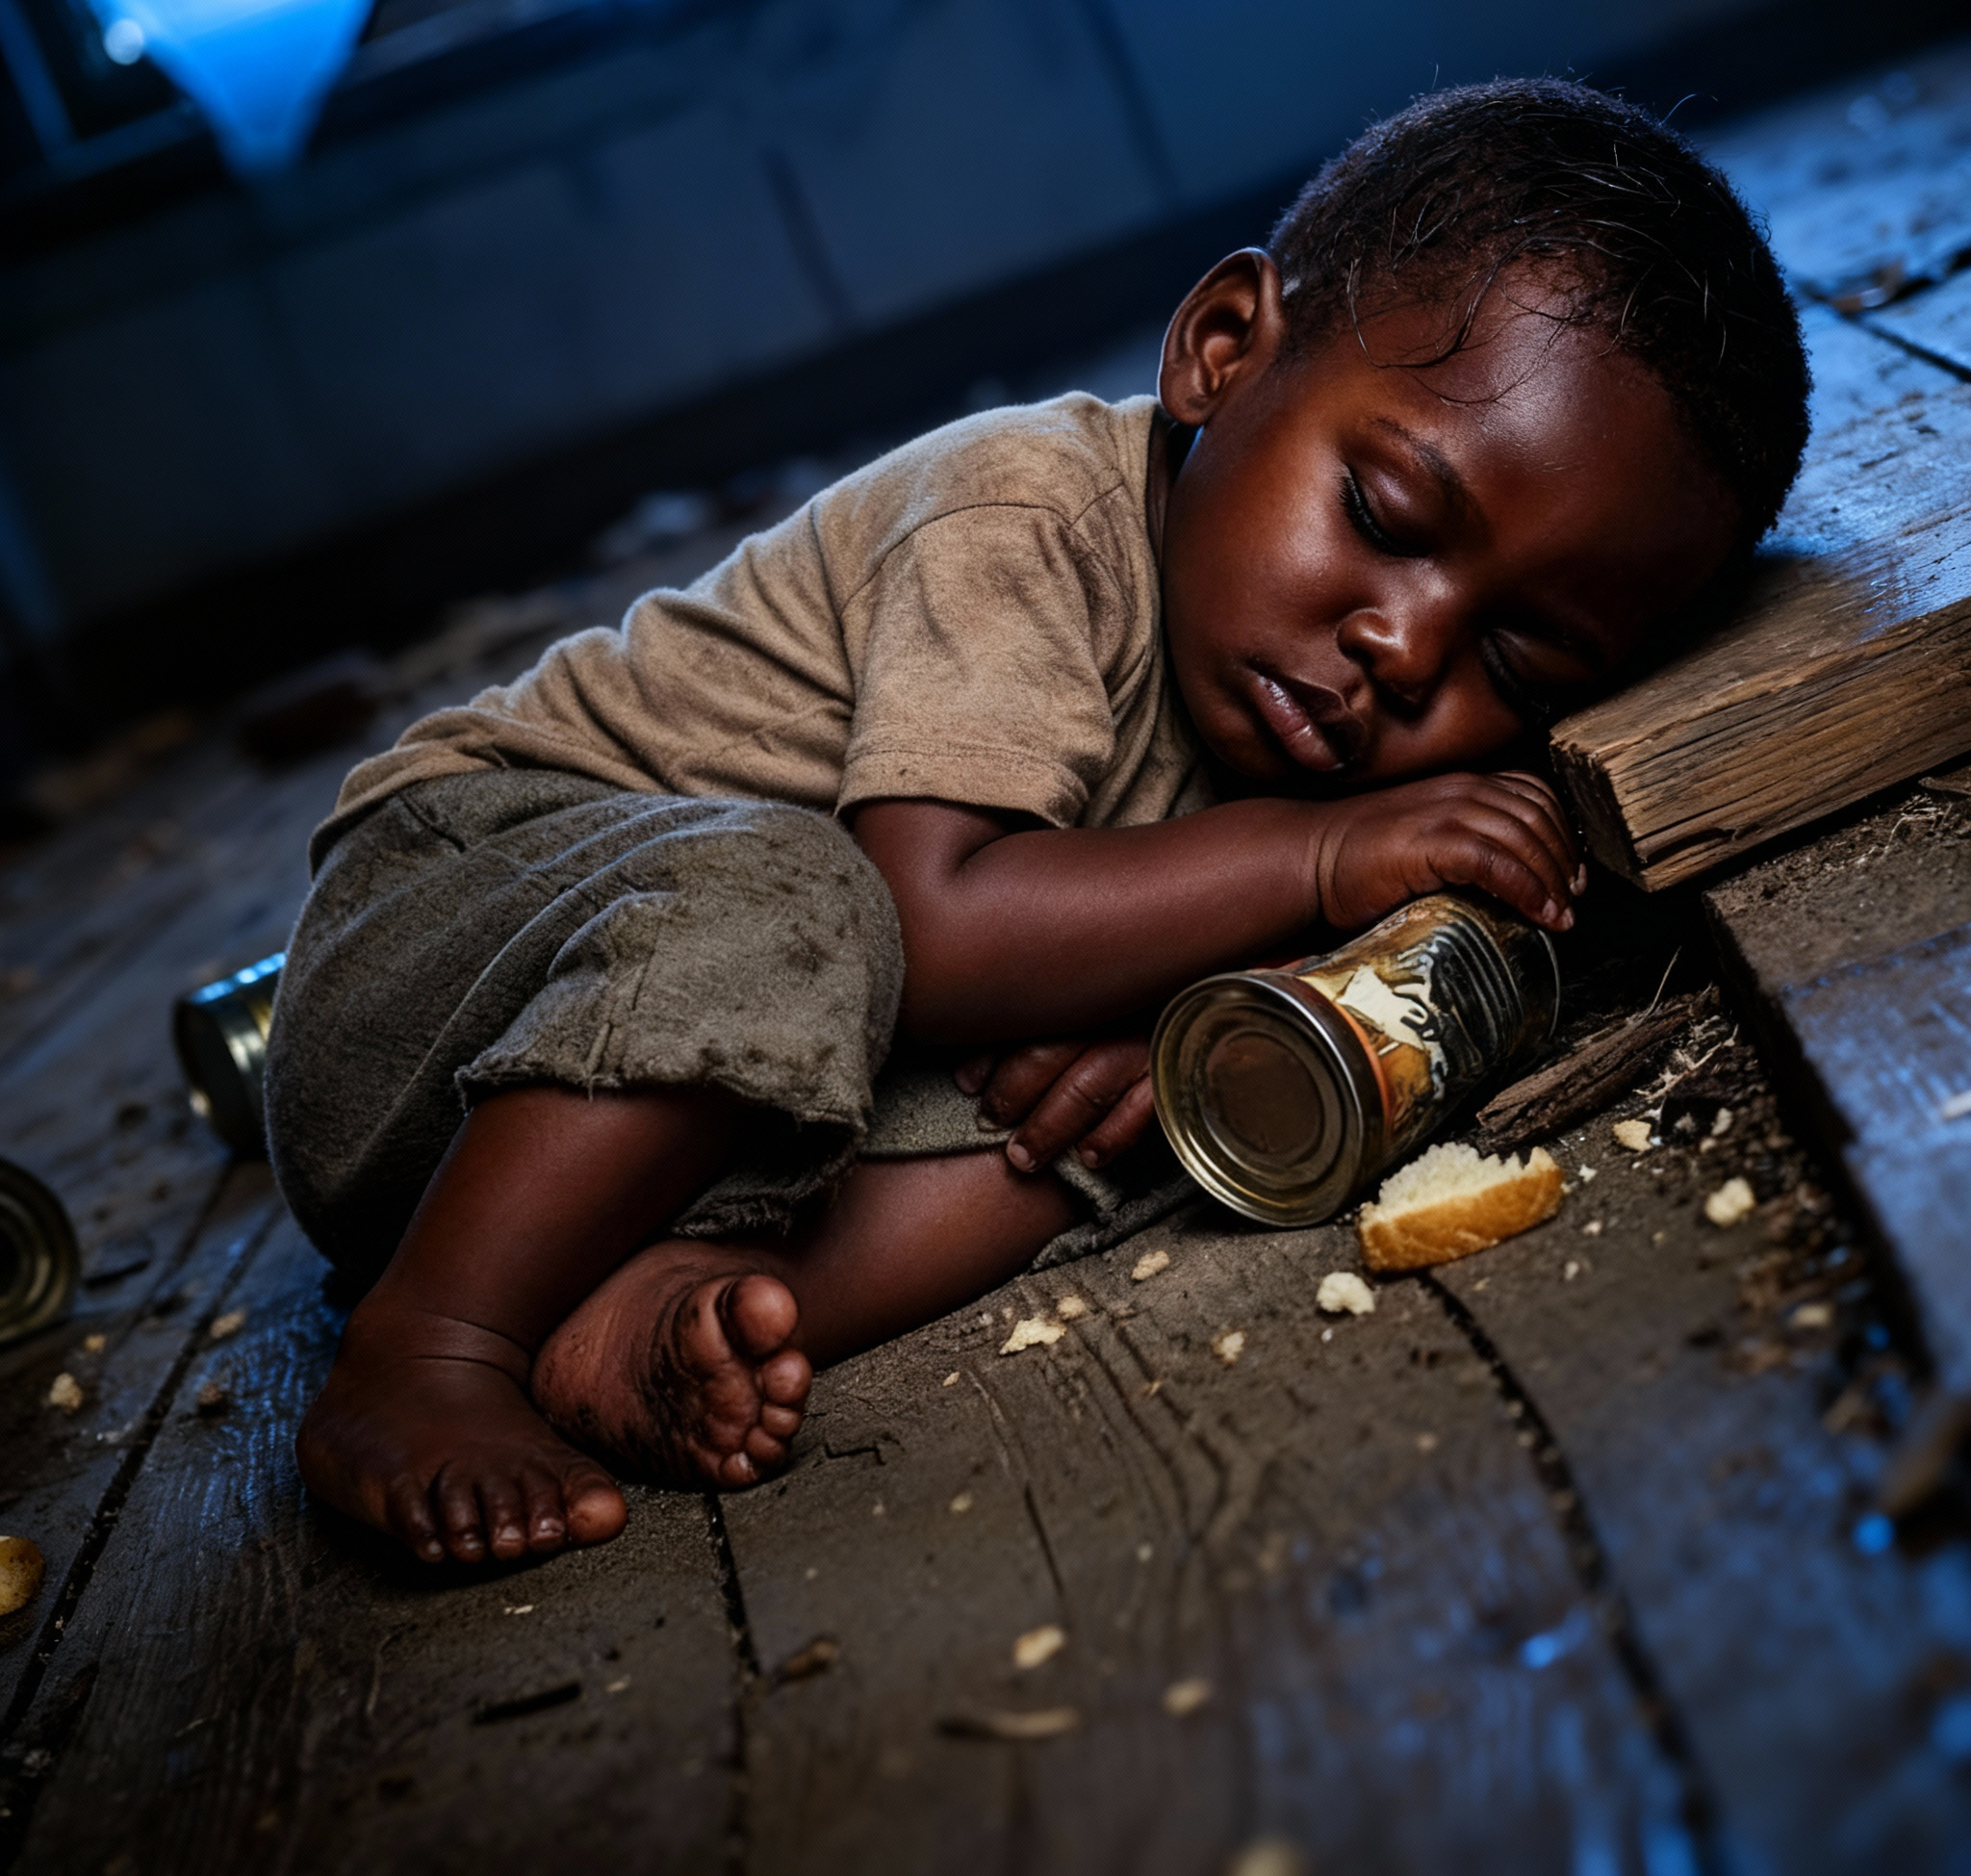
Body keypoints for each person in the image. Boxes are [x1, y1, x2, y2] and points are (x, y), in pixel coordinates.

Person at [267, 79, 1810, 1567]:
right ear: (1221, 351)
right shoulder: (1022, 516)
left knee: (1143, 1109)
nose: (1405, 648)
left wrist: (1195, 1010)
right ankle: (430, 1343)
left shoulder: (1334, 737)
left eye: (1516, 661)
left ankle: (658, 1299)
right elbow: (930, 930)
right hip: (435, 968)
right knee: (802, 896)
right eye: (1386, 515)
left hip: (686, 1129)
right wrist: (1320, 861)